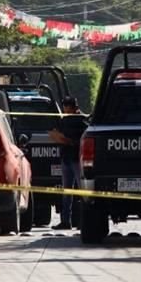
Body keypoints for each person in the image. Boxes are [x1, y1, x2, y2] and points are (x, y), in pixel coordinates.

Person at [49, 96, 87, 230]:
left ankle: (84, 221)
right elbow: (56, 132)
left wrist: (71, 142)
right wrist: (57, 137)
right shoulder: (64, 120)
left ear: (72, 107)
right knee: (67, 193)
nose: (65, 109)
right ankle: (65, 221)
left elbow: (85, 139)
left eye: (66, 107)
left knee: (83, 192)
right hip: (66, 158)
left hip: (77, 159)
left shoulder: (83, 120)